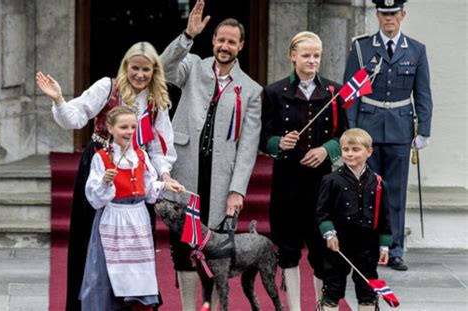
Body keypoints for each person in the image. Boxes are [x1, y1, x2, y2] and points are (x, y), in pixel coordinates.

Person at [36, 41, 178, 310]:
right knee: (91, 237)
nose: (139, 74)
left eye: (145, 69)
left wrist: (165, 174)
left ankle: (134, 303)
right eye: (134, 68)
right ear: (126, 66)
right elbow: (75, 117)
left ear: (154, 70)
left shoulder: (156, 100)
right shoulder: (107, 87)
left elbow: (161, 146)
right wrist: (58, 99)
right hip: (101, 166)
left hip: (137, 171)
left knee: (136, 243)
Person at [160, 0, 262, 309]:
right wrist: (187, 36)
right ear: (213, 40)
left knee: (217, 250)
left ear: (240, 46)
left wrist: (237, 190)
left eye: (232, 41)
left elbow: (248, 146)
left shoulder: (251, 89)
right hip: (185, 171)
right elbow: (163, 68)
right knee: (182, 247)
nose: (225, 46)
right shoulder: (192, 65)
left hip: (220, 179)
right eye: (220, 39)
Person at [259, 31, 348, 310]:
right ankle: (294, 307)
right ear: (292, 56)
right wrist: (279, 143)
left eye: (317, 56)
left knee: (322, 249)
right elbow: (262, 137)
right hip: (287, 181)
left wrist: (327, 150)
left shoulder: (334, 92)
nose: (312, 61)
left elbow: (344, 134)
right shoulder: (273, 92)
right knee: (288, 248)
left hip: (322, 183)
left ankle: (322, 305)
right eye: (307, 55)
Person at [343, 0, 433, 271]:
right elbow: (350, 94)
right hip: (367, 131)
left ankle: (393, 249)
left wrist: (424, 130)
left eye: (394, 14)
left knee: (395, 193)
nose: (389, 18)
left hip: (400, 130)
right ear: (378, 15)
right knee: (364, 191)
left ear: (402, 15)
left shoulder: (416, 50)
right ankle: (366, 247)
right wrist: (351, 132)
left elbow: (423, 93)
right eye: (384, 13)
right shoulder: (362, 48)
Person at [80, 106, 184, 310]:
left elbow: (147, 189)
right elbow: (94, 197)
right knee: (106, 271)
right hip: (113, 218)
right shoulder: (101, 157)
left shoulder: (141, 156)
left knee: (138, 272)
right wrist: (104, 183)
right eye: (123, 127)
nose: (129, 131)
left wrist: (164, 185)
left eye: (133, 127)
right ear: (110, 128)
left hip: (138, 219)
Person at [315, 128, 392, 311]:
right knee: (333, 287)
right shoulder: (330, 180)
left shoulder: (380, 183)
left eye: (356, 149)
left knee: (367, 289)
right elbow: (322, 212)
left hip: (368, 245)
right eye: (346, 149)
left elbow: (385, 218)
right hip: (339, 244)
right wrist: (329, 234)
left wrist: (384, 246)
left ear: (369, 151)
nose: (350, 154)